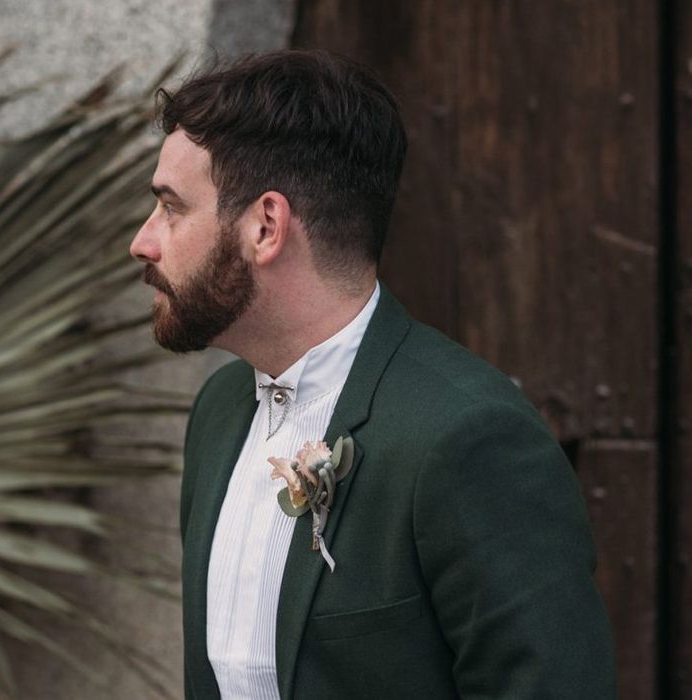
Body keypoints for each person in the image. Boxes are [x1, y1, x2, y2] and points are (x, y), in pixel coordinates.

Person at [129, 50, 616, 700]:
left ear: (266, 227)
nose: (144, 240)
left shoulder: (469, 436)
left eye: (171, 207)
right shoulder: (219, 412)